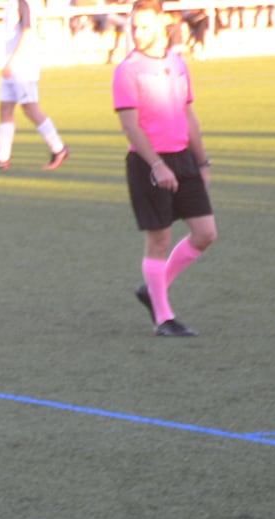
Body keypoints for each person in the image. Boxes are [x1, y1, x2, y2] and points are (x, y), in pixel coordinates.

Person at [114, 0, 216, 336]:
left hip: (183, 158)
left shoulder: (177, 63)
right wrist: (157, 165)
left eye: (144, 26)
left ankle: (152, 288)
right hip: (147, 163)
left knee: (205, 233)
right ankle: (163, 318)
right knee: (159, 239)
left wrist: (201, 161)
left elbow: (188, 115)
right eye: (134, 26)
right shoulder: (127, 71)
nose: (137, 33)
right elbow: (131, 127)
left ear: (161, 22)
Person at [0, 0, 69, 170]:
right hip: (11, 64)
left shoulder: (24, 3)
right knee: (5, 108)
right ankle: (2, 158)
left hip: (22, 65)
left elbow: (27, 31)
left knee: (30, 108)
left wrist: (13, 60)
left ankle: (59, 148)